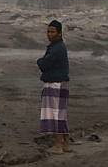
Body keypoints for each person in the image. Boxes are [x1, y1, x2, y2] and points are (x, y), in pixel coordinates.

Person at [36, 19, 70, 154]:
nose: (49, 34)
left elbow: (43, 64)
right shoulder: (58, 47)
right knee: (61, 114)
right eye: (48, 31)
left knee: (55, 114)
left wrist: (39, 61)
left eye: (52, 32)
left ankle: (58, 145)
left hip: (56, 83)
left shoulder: (57, 48)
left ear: (60, 33)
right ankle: (65, 143)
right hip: (60, 82)